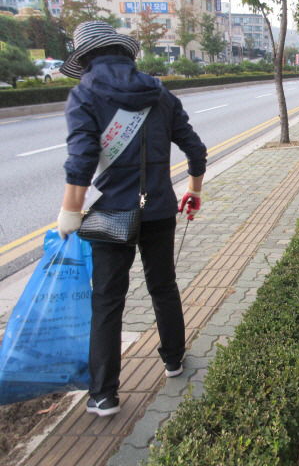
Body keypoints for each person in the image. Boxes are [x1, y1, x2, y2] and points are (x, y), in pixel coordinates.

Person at [56, 21, 207, 417]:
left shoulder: (83, 95)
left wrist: (70, 213)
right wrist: (194, 190)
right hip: (158, 209)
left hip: (110, 216)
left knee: (107, 301)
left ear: (85, 59)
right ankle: (173, 361)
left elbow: (81, 162)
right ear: (125, 54)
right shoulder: (160, 93)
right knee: (164, 287)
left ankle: (104, 394)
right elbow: (195, 148)